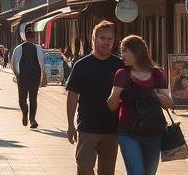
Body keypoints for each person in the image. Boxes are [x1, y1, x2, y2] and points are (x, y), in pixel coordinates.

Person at [107, 35, 173, 175]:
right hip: (128, 132)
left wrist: (153, 94)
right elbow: (112, 106)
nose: (121, 55)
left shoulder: (156, 73)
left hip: (153, 132)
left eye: (125, 51)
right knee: (136, 173)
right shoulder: (122, 74)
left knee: (149, 173)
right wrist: (116, 93)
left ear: (137, 52)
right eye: (121, 51)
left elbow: (168, 104)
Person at [66, 21, 124, 175]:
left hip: (112, 129)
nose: (106, 42)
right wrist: (70, 124)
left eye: (110, 39)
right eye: (102, 38)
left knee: (107, 171)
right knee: (84, 168)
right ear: (94, 39)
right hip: (87, 128)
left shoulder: (120, 65)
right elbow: (72, 95)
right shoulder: (82, 65)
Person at [10, 28, 48, 128]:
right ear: (34, 37)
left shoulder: (18, 48)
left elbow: (13, 63)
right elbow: (42, 63)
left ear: (25, 37)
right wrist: (43, 76)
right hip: (35, 77)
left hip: (22, 77)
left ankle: (25, 113)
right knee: (33, 99)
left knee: (22, 99)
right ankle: (32, 119)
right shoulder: (38, 48)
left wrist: (16, 74)